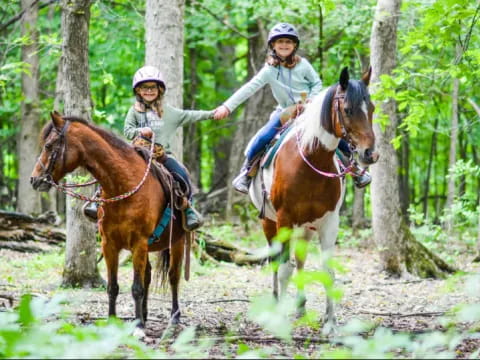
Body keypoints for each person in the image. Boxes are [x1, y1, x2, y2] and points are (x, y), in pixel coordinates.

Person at [214, 22, 371, 194]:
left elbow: (316, 83)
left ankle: (355, 170)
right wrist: (227, 107)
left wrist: (310, 101)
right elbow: (249, 88)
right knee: (262, 137)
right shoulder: (269, 71)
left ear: (295, 45)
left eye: (288, 42)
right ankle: (247, 173)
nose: (284, 45)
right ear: (273, 45)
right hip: (285, 112)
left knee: (336, 138)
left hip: (310, 111)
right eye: (280, 41)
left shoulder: (303, 65)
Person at [84, 65, 214, 232]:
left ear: (159, 89)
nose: (149, 91)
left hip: (161, 155)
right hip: (136, 155)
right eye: (145, 88)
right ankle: (97, 201)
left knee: (181, 175)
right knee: (111, 171)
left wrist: (212, 113)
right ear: (138, 91)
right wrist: (140, 131)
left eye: (152, 87)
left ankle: (188, 210)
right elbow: (128, 131)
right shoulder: (134, 112)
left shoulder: (170, 113)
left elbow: (191, 115)